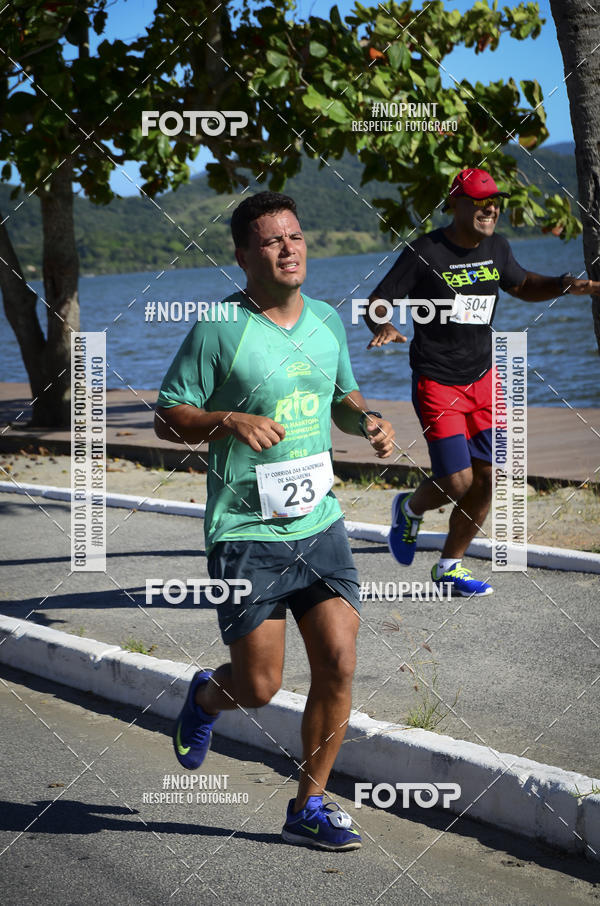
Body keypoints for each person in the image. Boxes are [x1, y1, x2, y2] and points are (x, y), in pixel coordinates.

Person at [154, 191, 394, 851]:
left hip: (319, 523)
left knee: (339, 662)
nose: (288, 248)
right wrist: (227, 419)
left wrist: (366, 421)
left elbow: (343, 398)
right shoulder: (215, 329)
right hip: (246, 532)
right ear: (242, 255)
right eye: (270, 240)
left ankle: (307, 807)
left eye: (294, 235)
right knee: (258, 688)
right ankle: (208, 696)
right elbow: (168, 412)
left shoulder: (324, 320)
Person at [364, 167, 600, 596]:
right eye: (478, 200)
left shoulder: (496, 247)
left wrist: (565, 286)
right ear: (455, 203)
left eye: (493, 201)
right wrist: (381, 323)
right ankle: (411, 509)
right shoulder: (426, 251)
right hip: (438, 380)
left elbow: (523, 283)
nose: (489, 207)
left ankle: (450, 567)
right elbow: (381, 298)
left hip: (485, 378)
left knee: (487, 478)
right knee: (456, 481)